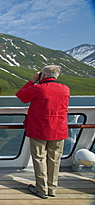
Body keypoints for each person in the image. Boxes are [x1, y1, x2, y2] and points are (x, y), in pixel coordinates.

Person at [16, 65, 70, 199]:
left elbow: (21, 95)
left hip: (39, 129)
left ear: (43, 76)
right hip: (59, 130)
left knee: (39, 158)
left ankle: (41, 189)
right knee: (54, 159)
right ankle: (52, 188)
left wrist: (33, 81)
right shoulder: (65, 89)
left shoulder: (38, 89)